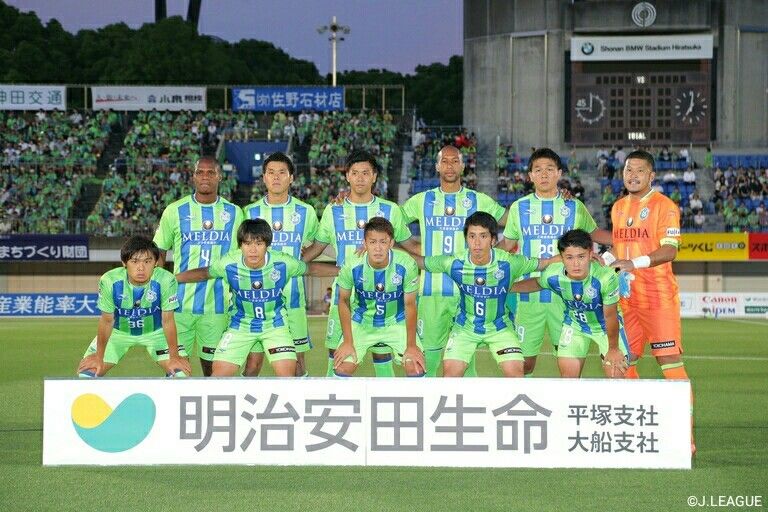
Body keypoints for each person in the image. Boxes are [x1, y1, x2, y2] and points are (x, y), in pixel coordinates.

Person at [606, 149, 695, 454]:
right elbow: (619, 249)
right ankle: (633, 429)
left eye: (639, 171)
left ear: (651, 175)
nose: (632, 176)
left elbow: (670, 250)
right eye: (628, 170)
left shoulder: (665, 206)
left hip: (658, 300)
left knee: (669, 363)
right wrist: (604, 259)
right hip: (626, 300)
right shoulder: (618, 207)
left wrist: (634, 263)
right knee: (620, 364)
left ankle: (685, 437)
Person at [302, 150, 420, 377]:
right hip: (345, 294)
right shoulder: (333, 210)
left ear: (374, 176)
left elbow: (410, 247)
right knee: (337, 354)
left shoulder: (390, 210)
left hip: (383, 294)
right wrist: (289, 264)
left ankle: (385, 399)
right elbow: (317, 247)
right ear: (347, 176)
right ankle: (333, 398)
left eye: (366, 173)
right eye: (354, 173)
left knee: (382, 355)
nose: (360, 178)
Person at [498, 148, 612, 376]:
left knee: (568, 362)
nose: (544, 174)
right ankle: (522, 399)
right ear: (530, 175)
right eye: (538, 170)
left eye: (550, 169)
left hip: (566, 297)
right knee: (524, 364)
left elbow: (593, 234)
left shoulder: (574, 206)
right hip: (529, 298)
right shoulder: (519, 208)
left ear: (559, 173)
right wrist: (481, 260)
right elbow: (507, 244)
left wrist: (631, 239)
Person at [175, 219, 337, 377]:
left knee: (288, 376)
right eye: (247, 244)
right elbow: (204, 273)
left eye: (259, 244)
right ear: (240, 245)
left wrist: (342, 271)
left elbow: (311, 269)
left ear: (267, 245)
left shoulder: (283, 262)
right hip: (240, 326)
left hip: (275, 326)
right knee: (218, 376)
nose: (253, 250)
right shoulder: (229, 263)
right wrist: (174, 278)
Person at [401, 144, 506, 377]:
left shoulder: (478, 200)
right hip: (431, 292)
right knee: (427, 360)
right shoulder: (422, 200)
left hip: (467, 293)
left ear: (463, 166)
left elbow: (513, 220)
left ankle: (464, 401)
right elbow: (390, 224)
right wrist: (412, 249)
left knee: (465, 361)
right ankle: (427, 399)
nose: (450, 166)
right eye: (445, 161)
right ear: (437, 166)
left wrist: (552, 197)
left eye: (455, 161)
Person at [412, 212, 558, 377]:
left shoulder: (509, 262)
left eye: (483, 236)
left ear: (493, 240)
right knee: (450, 376)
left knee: (516, 374)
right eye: (472, 236)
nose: (477, 243)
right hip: (465, 328)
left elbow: (546, 263)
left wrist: (577, 258)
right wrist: (391, 250)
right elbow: (420, 262)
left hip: (500, 328)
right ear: (466, 239)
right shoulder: (454, 263)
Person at [153, 156, 243, 376]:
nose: (205, 176)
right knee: (176, 370)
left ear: (219, 177)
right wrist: (158, 288)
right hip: (178, 307)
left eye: (211, 172)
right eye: (200, 172)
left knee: (213, 372)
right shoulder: (175, 210)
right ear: (193, 177)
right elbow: (159, 251)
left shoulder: (234, 213)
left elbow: (240, 258)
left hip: (217, 307)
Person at [510, 229, 629, 378]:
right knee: (568, 381)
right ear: (561, 258)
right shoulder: (553, 274)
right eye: (569, 257)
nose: (576, 263)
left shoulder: (606, 278)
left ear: (591, 254)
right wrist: (508, 287)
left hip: (606, 328)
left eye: (581, 256)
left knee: (616, 376)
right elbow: (538, 283)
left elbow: (610, 317)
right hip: (575, 326)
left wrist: (613, 349)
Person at [242, 152, 318, 377]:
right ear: (264, 177)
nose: (276, 177)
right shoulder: (249, 212)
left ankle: (299, 400)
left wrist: (299, 261)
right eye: (271, 172)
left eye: (282, 173)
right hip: (256, 299)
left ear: (291, 178)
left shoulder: (306, 212)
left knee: (297, 363)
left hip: (293, 298)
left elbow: (317, 244)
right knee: (253, 363)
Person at [77, 236, 191, 377]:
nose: (141, 268)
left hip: (157, 332)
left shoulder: (166, 280)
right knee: (87, 374)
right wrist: (98, 357)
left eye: (147, 261)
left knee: (180, 374)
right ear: (124, 262)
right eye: (134, 261)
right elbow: (106, 321)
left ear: (156, 262)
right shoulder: (109, 281)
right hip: (117, 333)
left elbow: (167, 320)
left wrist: (174, 357)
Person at [332, 218, 425, 377]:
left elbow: (410, 305)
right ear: (365, 243)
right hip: (362, 322)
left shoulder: (406, 264)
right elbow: (343, 301)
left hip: (397, 321)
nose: (378, 248)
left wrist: (411, 346)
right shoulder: (352, 264)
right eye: (372, 242)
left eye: (383, 242)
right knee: (341, 369)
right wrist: (347, 342)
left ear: (391, 243)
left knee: (416, 369)